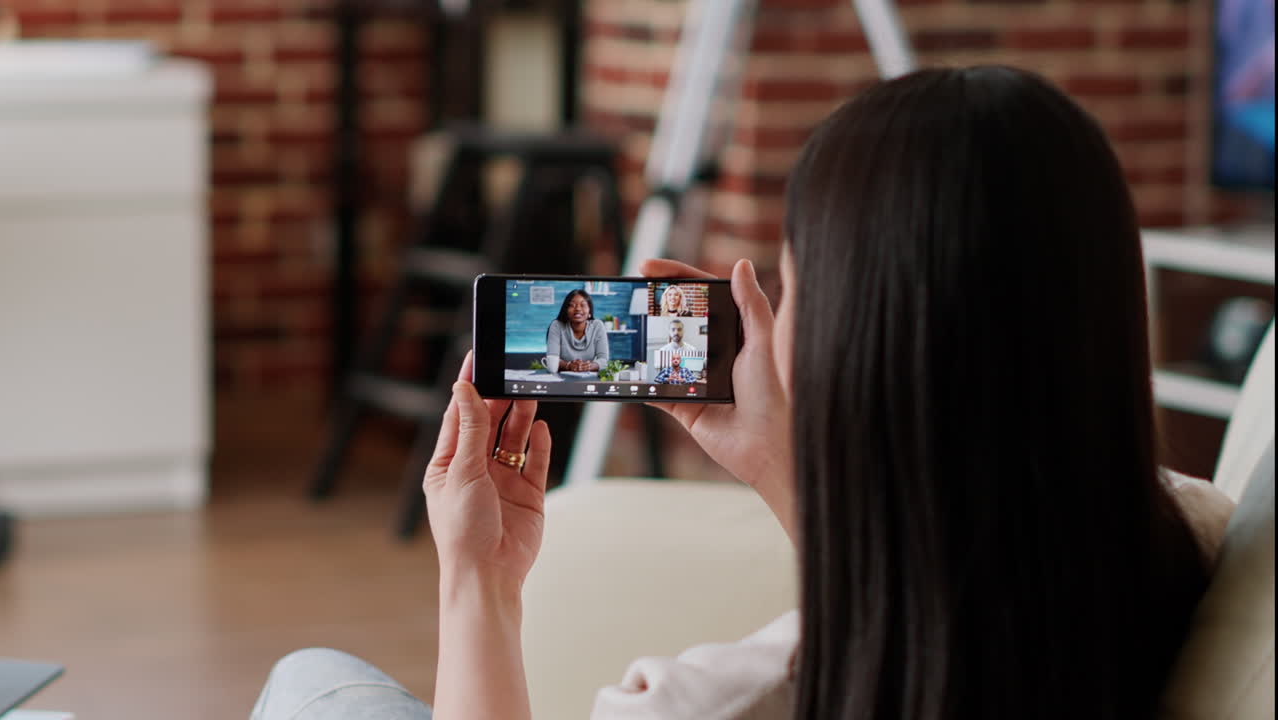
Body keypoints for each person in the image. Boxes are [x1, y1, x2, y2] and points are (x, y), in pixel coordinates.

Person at [252, 67, 1233, 720]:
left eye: (796, 286)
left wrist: (480, 582)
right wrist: (789, 469)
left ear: (855, 343)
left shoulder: (712, 701)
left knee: (312, 683)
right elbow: (928, 602)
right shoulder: (1177, 542)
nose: (764, 310)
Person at [545, 288, 609, 373]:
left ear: (590, 311)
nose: (578, 309)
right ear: (566, 310)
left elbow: (604, 360)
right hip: (561, 380)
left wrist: (588, 366)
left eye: (583, 305)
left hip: (589, 378)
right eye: (572, 305)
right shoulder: (557, 325)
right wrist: (569, 365)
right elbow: (552, 359)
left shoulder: (597, 326)